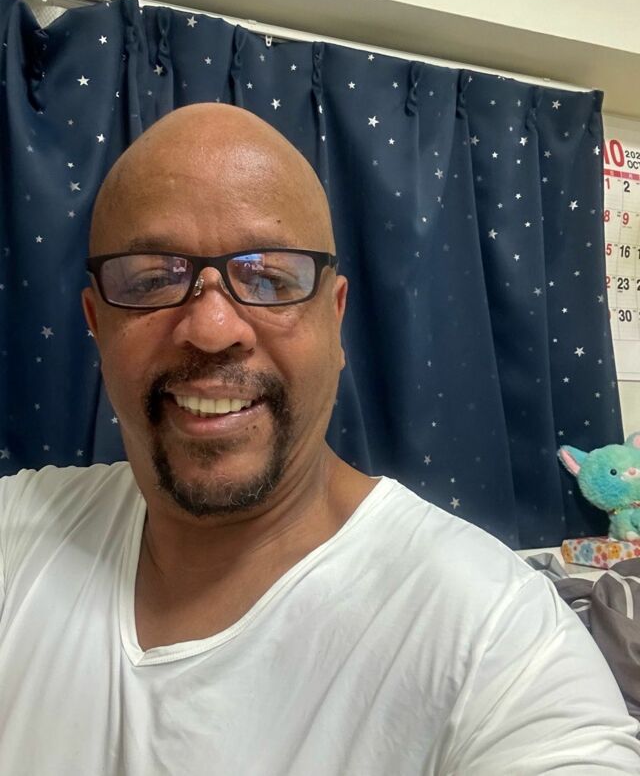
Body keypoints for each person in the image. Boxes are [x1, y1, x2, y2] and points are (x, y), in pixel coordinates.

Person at [0, 103, 638, 776]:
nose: (212, 330)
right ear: (96, 323)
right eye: (154, 279)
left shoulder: (497, 643)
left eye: (269, 278)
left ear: (335, 320)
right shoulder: (19, 533)